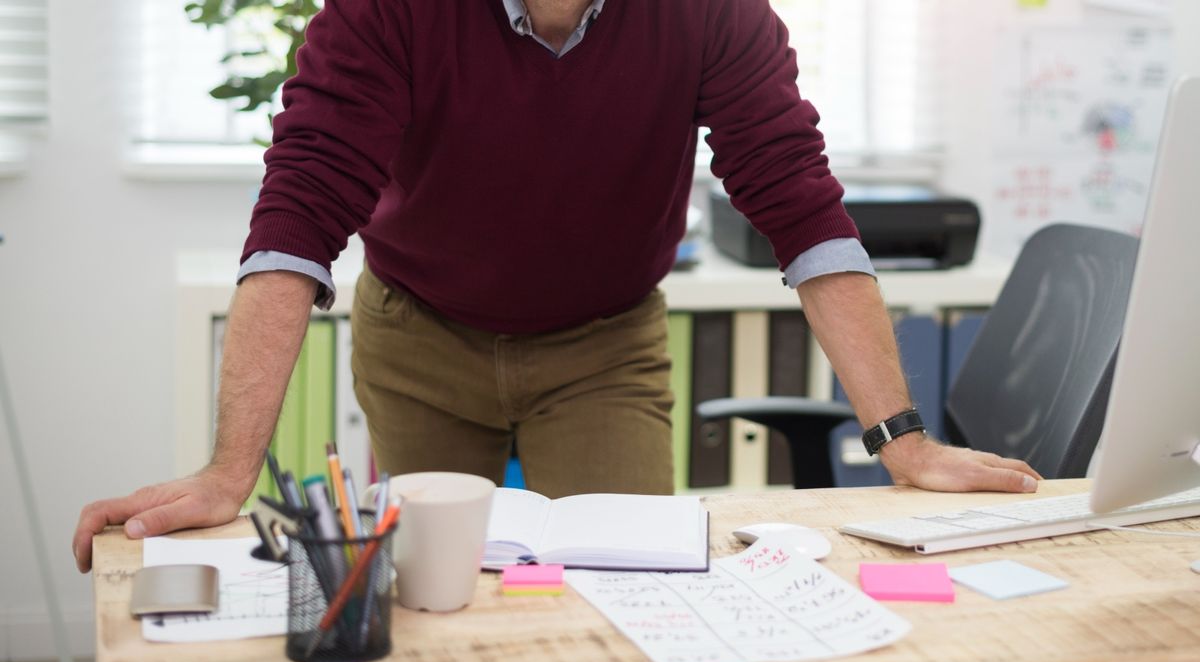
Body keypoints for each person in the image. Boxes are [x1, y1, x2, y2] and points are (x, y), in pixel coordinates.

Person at [73, 0, 1041, 573]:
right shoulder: (386, 10)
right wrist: (227, 470)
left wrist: (901, 442)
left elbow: (801, 207)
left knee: (630, 590)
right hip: (420, 333)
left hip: (604, 342)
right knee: (432, 598)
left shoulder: (710, 11)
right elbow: (297, 221)